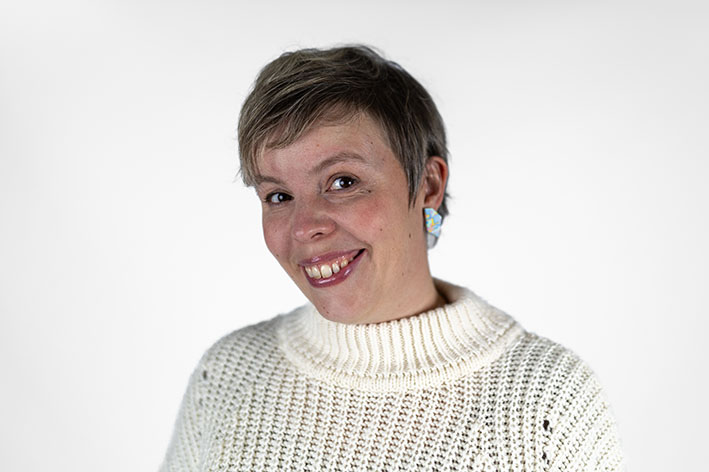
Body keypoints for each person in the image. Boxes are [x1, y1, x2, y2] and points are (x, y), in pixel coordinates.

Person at [160, 45, 624, 471]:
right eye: (278, 196)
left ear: (429, 185)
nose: (304, 227)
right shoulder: (228, 375)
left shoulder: (546, 403)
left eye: (342, 182)